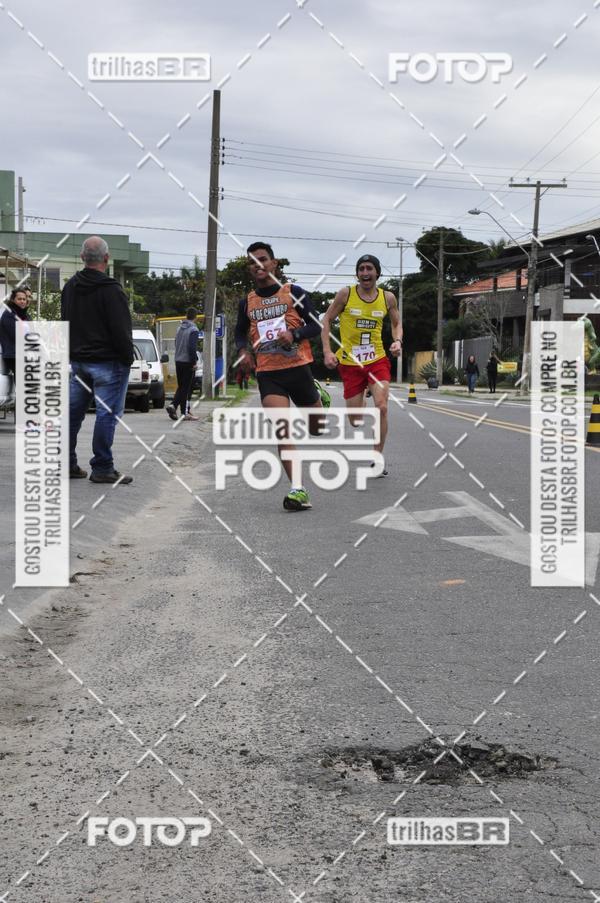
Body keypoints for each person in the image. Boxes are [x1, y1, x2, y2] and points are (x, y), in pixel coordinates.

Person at [235, 241, 330, 511]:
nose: (258, 265)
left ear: (274, 263)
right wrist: (243, 351)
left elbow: (316, 325)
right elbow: (240, 332)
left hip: (298, 368)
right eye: (253, 262)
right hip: (269, 373)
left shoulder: (294, 293)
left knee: (317, 428)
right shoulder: (247, 303)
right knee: (283, 430)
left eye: (263, 259)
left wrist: (294, 334)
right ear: (249, 268)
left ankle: (318, 395)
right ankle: (298, 489)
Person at [61, 236, 134, 484]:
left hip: (78, 363)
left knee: (72, 414)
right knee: (106, 414)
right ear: (107, 257)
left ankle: (66, 463)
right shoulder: (112, 290)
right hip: (108, 363)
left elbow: (65, 324)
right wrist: (126, 360)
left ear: (82, 257)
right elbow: (121, 330)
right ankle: (102, 467)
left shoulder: (70, 287)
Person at [321, 254, 401, 475]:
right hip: (350, 363)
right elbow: (326, 319)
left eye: (369, 269)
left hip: (377, 360)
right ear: (357, 273)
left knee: (382, 407)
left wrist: (397, 341)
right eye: (361, 269)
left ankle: (377, 459)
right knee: (355, 421)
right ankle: (364, 391)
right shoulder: (346, 294)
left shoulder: (388, 298)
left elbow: (396, 323)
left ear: (377, 273)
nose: (365, 273)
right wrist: (327, 351)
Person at [166, 307, 200, 421]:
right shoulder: (194, 330)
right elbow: (192, 347)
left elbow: (176, 342)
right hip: (188, 362)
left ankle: (174, 406)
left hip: (178, 360)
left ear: (186, 316)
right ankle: (183, 412)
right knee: (186, 388)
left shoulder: (179, 328)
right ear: (195, 317)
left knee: (182, 387)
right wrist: (194, 361)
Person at [0, 288, 30, 381]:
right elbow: (16, 336)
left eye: (24, 299)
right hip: (14, 354)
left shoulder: (25, 315)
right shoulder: (8, 314)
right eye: (19, 299)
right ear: (13, 300)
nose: (22, 301)